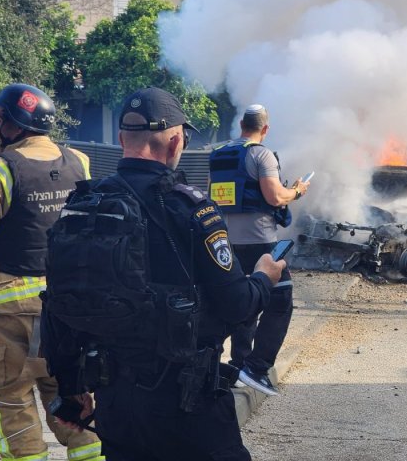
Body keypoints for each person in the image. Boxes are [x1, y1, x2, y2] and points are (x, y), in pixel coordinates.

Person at [42, 87, 285, 460]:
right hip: (186, 402)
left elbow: (59, 302)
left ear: (122, 139)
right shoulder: (191, 209)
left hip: (115, 403)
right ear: (175, 144)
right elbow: (237, 304)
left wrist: (71, 386)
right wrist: (263, 278)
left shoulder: (84, 203)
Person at [0, 83, 103, 460]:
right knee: (71, 397)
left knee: (12, 403)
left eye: (0, 120)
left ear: (17, 125)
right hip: (65, 309)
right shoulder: (78, 162)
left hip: (6, 314)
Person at [209, 104, 309, 396]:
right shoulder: (261, 154)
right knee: (280, 301)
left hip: (226, 242)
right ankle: (256, 367)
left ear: (240, 124)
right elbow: (274, 195)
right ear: (265, 129)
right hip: (261, 241)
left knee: (244, 299)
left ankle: (237, 364)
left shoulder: (218, 155)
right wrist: (297, 191)